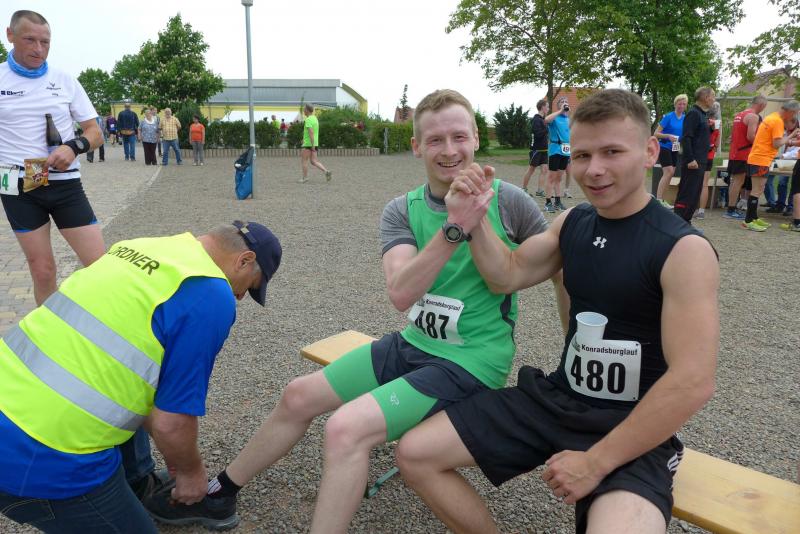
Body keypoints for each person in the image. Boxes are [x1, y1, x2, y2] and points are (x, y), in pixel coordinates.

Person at [144, 89, 557, 532]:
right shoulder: (403, 209)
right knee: (298, 395)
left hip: (471, 361)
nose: (449, 150)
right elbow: (401, 293)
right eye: (435, 140)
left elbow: (558, 264)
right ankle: (220, 492)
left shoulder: (509, 201)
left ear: (476, 137)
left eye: (459, 136)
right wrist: (454, 227)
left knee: (345, 429)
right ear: (416, 146)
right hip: (416, 343)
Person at [396, 88, 719, 534]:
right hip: (560, 399)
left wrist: (595, 463)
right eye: (582, 155)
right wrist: (473, 218)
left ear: (649, 152)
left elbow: (692, 381)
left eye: (612, 152)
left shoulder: (683, 249)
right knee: (415, 453)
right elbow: (506, 275)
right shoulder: (573, 222)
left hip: (634, 422)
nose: (594, 169)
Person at [0, 220, 282, 533]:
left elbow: (131, 375)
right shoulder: (210, 292)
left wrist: (173, 451)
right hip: (39, 452)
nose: (240, 296)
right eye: (249, 287)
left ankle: (136, 484)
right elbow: (170, 421)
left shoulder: (139, 246)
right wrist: (191, 473)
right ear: (244, 260)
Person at [0, 10, 105, 306]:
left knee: (100, 265)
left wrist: (74, 146)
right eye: (29, 40)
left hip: (64, 183)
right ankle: (50, 331)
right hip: (20, 186)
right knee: (42, 271)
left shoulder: (65, 80)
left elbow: (95, 132)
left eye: (45, 42)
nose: (38, 49)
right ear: (10, 35)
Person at [743, 100, 800, 231]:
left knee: (759, 189)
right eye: (795, 113)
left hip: (760, 157)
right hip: (761, 158)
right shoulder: (777, 121)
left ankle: (754, 217)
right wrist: (791, 135)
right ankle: (748, 220)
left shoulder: (772, 117)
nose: (794, 116)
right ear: (790, 111)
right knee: (757, 190)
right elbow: (777, 144)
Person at [673, 87, 715, 223]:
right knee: (687, 192)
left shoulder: (703, 115)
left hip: (701, 160)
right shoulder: (693, 113)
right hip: (693, 161)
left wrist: (710, 128)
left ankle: (686, 221)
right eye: (713, 96)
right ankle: (679, 222)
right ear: (705, 97)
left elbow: (699, 135)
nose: (714, 99)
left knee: (694, 193)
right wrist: (690, 159)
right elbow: (687, 137)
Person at [724, 95, 768, 220]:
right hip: (743, 153)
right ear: (761, 105)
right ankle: (731, 210)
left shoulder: (739, 114)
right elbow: (750, 136)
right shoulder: (753, 116)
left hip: (735, 152)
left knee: (735, 181)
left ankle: (731, 208)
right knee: (738, 182)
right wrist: (762, 146)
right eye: (764, 106)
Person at [653, 94, 688, 208]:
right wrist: (668, 136)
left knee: (671, 173)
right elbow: (656, 133)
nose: (681, 106)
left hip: (675, 147)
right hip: (664, 146)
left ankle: (663, 200)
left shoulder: (685, 118)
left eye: (684, 104)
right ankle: (658, 200)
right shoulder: (668, 116)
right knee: (668, 172)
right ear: (675, 104)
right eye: (679, 103)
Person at [543, 97, 571, 212]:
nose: (565, 103)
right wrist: (560, 111)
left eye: (566, 102)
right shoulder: (555, 117)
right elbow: (546, 120)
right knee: (551, 177)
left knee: (559, 178)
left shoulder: (568, 119)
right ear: (558, 105)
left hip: (566, 151)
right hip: (555, 150)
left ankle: (558, 202)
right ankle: (548, 202)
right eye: (562, 102)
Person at [695, 101, 721, 220]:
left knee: (696, 182)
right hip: (710, 156)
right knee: (704, 184)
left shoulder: (703, 121)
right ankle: (701, 211)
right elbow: (717, 143)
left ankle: (693, 208)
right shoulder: (717, 124)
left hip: (699, 155)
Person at [521, 98, 549, 197]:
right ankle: (524, 189)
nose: (548, 109)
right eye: (547, 107)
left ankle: (540, 191)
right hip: (536, 150)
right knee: (531, 169)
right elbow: (537, 134)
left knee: (544, 170)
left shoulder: (543, 120)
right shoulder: (536, 119)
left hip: (544, 150)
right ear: (542, 107)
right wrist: (546, 129)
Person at [298, 103, 331, 183]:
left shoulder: (308, 120)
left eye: (304, 109)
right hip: (315, 143)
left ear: (307, 110)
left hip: (308, 144)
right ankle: (326, 172)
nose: (303, 111)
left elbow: (311, 132)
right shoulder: (315, 118)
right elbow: (312, 132)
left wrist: (311, 144)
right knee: (314, 161)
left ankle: (305, 178)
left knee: (304, 161)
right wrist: (311, 143)